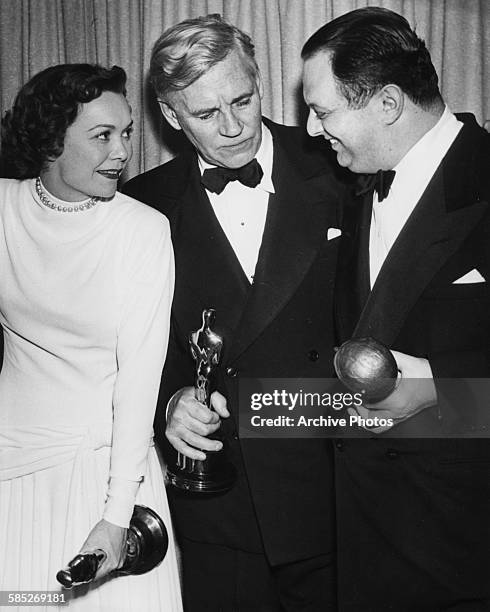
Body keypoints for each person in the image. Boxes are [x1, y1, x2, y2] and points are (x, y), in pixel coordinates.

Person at [123, 14, 346, 612]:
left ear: (259, 84)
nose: (231, 127)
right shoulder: (141, 206)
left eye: (241, 100)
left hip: (334, 495)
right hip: (220, 508)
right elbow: (134, 346)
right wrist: (171, 404)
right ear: (171, 118)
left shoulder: (341, 165)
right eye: (204, 114)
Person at [302, 7, 490, 612]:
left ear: (386, 104)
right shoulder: (356, 187)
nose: (309, 129)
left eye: (324, 111)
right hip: (362, 546)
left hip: (462, 554)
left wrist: (443, 390)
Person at [0, 64, 182, 611]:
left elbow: (138, 383)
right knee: (26, 601)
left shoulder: (142, 232)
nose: (123, 152)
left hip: (113, 475)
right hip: (14, 472)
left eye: (126, 133)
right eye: (102, 136)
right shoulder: (3, 209)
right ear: (52, 141)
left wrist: (116, 516)